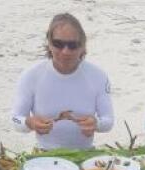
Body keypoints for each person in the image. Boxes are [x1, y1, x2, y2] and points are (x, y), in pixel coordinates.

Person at [11, 13, 114, 149]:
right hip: (44, 153)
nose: (65, 51)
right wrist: (30, 123)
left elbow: (108, 121)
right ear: (49, 43)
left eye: (73, 45)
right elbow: (15, 119)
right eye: (58, 44)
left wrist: (97, 124)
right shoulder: (31, 75)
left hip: (84, 153)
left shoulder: (98, 76)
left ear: (83, 46)